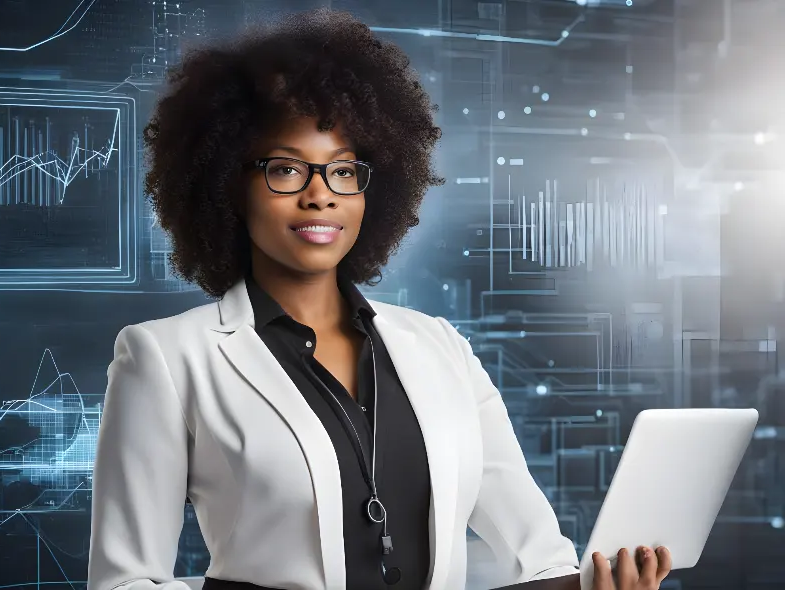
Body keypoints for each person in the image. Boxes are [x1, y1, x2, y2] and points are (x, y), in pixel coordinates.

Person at [87, 8, 671, 590]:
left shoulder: (441, 348)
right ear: (226, 185)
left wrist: (598, 585)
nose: (321, 196)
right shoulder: (165, 358)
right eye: (287, 169)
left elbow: (539, 560)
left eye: (343, 171)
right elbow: (124, 582)